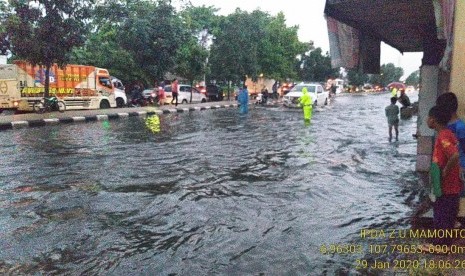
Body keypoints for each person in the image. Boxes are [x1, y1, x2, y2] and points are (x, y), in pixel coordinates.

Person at [422, 105, 462, 252]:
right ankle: (441, 243)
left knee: (442, 215)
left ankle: (440, 246)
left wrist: (444, 172)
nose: (427, 120)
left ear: (433, 120)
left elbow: (455, 155)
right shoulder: (447, 133)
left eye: (428, 117)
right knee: (445, 215)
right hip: (448, 185)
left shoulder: (444, 136)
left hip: (446, 186)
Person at [436, 92, 465, 193]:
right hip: (446, 168)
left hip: (458, 169)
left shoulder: (460, 127)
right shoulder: (443, 126)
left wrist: (462, 167)